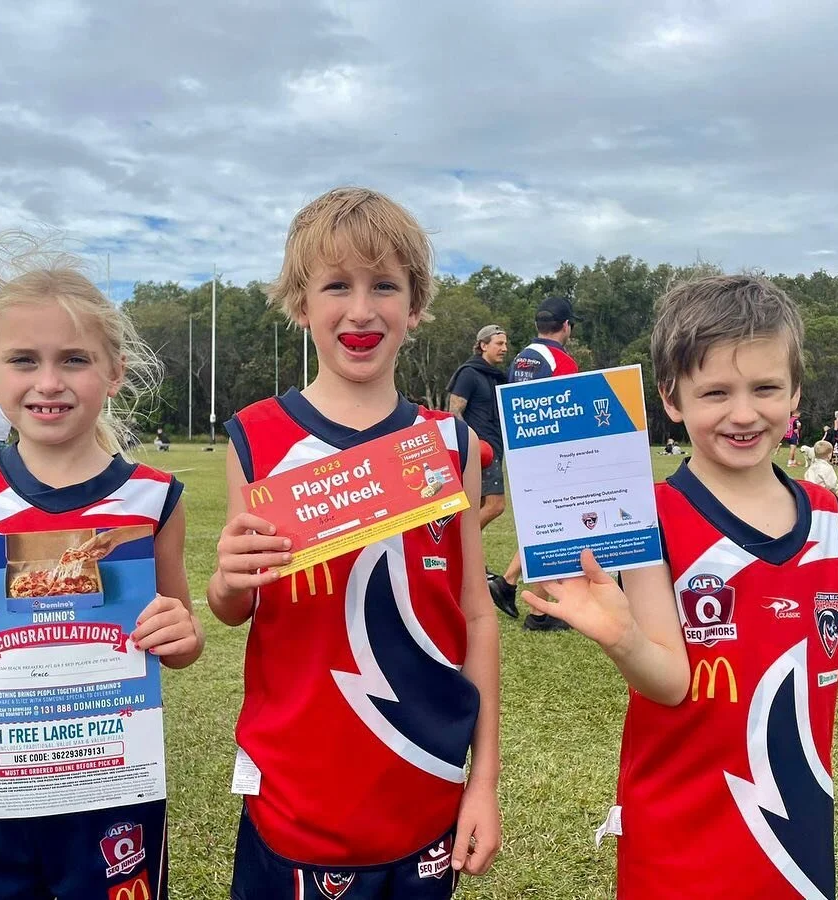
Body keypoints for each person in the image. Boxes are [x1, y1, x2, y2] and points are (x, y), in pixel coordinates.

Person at [521, 274, 838, 899]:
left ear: (795, 398)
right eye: (714, 392)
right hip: (680, 836)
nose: (743, 413)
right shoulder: (650, 516)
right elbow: (670, 680)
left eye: (765, 388)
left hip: (795, 826)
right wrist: (623, 639)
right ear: (671, 400)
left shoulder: (821, 510)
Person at [0, 233, 204, 900]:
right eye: (24, 360)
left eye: (74, 360)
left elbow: (180, 638)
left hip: (108, 781)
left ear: (112, 372)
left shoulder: (152, 497)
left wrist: (182, 635)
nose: (49, 382)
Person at [210, 187, 501, 898]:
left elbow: (476, 613)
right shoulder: (258, 437)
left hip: (424, 788)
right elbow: (233, 608)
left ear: (416, 306)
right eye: (337, 285)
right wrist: (227, 579)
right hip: (297, 799)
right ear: (301, 304)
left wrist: (484, 780)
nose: (362, 310)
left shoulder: (449, 445)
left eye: (385, 286)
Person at [488, 295, 580, 627]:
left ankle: (524, 597)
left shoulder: (522, 359)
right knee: (554, 527)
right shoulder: (562, 362)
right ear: (566, 326)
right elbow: (572, 413)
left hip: (524, 451)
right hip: (554, 454)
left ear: (537, 325)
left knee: (547, 526)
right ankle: (529, 602)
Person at [447, 324, 509, 529]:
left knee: (480, 505)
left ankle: (473, 559)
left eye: (505, 344)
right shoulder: (469, 373)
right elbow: (454, 411)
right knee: (496, 505)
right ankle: (461, 543)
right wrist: (472, 444)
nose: (504, 348)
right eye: (499, 343)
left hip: (495, 446)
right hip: (480, 450)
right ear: (483, 345)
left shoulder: (495, 376)